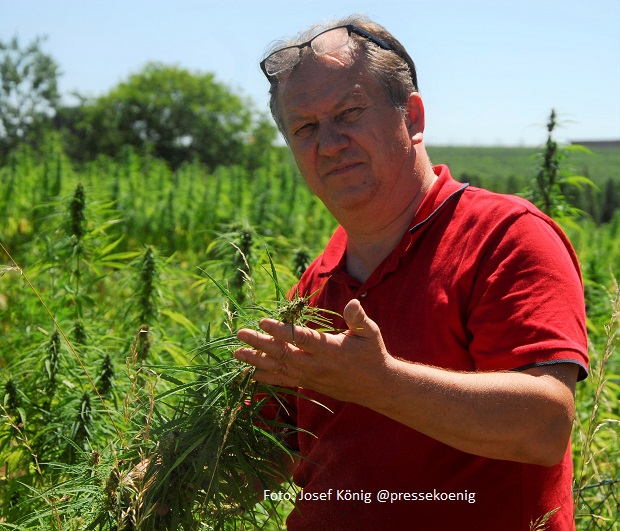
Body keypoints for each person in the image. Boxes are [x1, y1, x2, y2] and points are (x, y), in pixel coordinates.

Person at [234, 15, 589, 530]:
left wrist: (380, 383)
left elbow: (542, 426)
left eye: (349, 112)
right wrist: (150, 478)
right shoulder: (315, 285)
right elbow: (268, 453)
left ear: (413, 117)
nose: (329, 143)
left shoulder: (504, 237)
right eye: (305, 127)